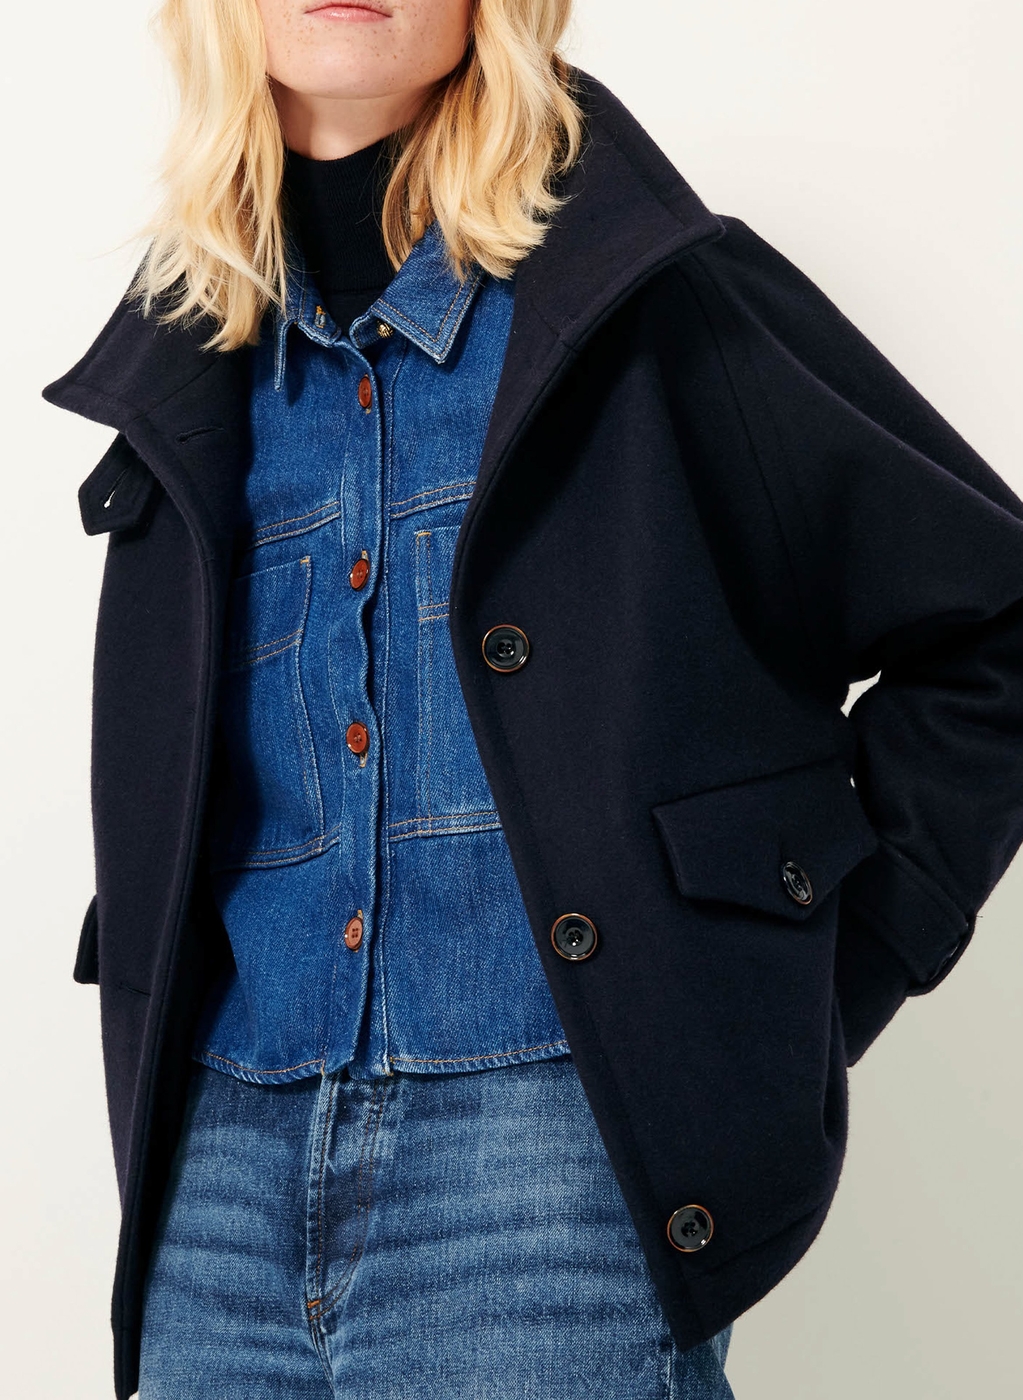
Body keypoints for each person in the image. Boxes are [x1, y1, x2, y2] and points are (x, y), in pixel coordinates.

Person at [41, 1, 1023, 1397]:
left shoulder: (648, 306)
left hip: (546, 1172)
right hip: (215, 1199)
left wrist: (793, 971)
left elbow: (996, 620)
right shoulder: (190, 350)